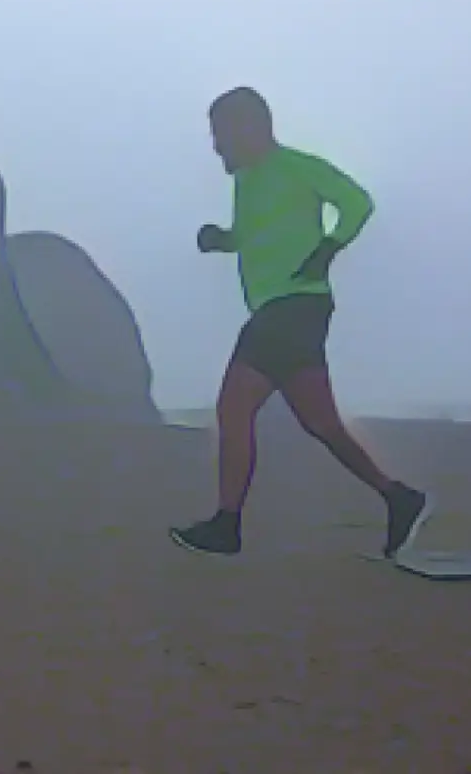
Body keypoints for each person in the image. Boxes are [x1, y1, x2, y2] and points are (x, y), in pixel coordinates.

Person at [169, 87, 432, 558]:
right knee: (321, 423)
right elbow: (257, 235)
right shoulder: (247, 181)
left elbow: (357, 202)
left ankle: (227, 525)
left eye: (222, 134)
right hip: (288, 310)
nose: (216, 147)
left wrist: (329, 249)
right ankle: (398, 496)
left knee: (233, 408)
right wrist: (222, 239)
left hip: (292, 306)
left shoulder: (296, 166)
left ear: (253, 128)